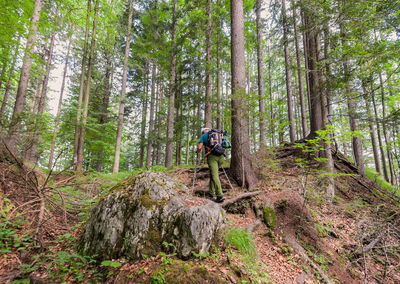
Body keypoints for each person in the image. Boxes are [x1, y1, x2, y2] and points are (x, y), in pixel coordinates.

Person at [196, 128, 225, 203]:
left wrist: (197, 151)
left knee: (215, 175)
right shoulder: (218, 134)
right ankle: (211, 193)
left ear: (203, 131)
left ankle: (220, 195)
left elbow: (199, 147)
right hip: (221, 156)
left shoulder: (203, 136)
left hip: (212, 157)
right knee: (213, 174)